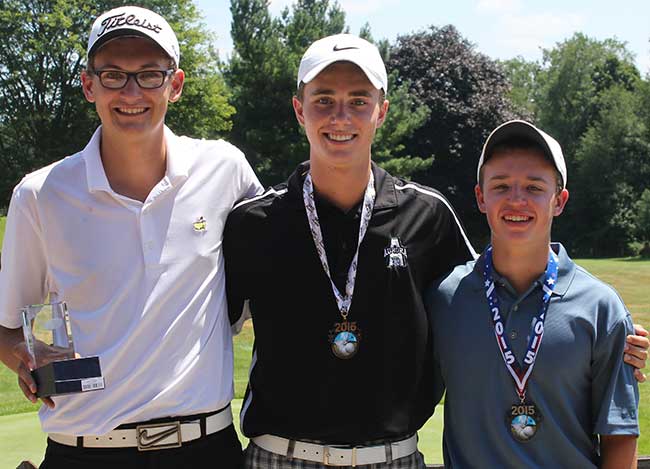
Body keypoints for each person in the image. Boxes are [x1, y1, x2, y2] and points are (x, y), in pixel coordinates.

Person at [224, 34, 649, 469]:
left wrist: (613, 339)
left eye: (358, 100)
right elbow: (202, 330)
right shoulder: (253, 221)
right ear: (299, 109)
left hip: (391, 458)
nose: (341, 116)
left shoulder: (426, 214)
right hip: (280, 455)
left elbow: (491, 298)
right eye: (324, 99)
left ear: (382, 111)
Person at [0, 6, 261, 468]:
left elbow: (276, 262)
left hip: (206, 450)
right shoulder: (40, 195)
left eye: (149, 75)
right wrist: (28, 362)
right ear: (89, 85)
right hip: (84, 454)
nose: (132, 92)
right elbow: (6, 327)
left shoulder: (225, 170)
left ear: (175, 85)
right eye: (114, 75)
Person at [426, 120, 640, 468]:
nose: (517, 199)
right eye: (501, 186)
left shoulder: (601, 308)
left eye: (534, 187)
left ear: (559, 200)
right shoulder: (446, 297)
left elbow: (619, 437)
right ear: (481, 197)